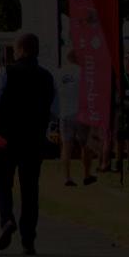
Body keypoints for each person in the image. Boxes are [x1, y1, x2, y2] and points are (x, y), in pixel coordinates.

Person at [0, 32, 57, 255]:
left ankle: (7, 218)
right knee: (30, 188)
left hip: (7, 137)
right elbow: (55, 109)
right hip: (34, 139)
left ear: (22, 50)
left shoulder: (6, 72)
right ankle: (28, 238)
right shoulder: (47, 76)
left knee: (2, 181)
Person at [57, 49, 95, 187]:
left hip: (65, 113)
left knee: (66, 146)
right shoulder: (83, 72)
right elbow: (89, 91)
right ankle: (86, 175)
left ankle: (67, 177)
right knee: (85, 145)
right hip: (81, 113)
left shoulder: (60, 72)